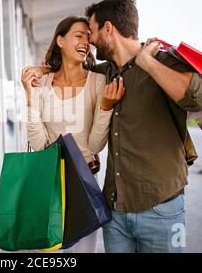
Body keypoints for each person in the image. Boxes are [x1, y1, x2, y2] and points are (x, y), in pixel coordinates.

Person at [84, 0, 202, 253]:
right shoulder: (105, 72)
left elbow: (198, 97)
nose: (89, 39)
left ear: (108, 28)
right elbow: (72, 73)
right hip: (115, 212)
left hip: (162, 210)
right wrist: (44, 71)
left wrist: (147, 63)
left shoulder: (163, 60)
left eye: (92, 31)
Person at [21, 16, 124, 253]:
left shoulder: (98, 81)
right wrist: (30, 96)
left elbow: (95, 145)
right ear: (60, 40)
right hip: (48, 181)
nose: (86, 41)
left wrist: (105, 108)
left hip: (85, 181)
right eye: (78, 35)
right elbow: (38, 144)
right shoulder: (42, 82)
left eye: (88, 37)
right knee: (51, 253)